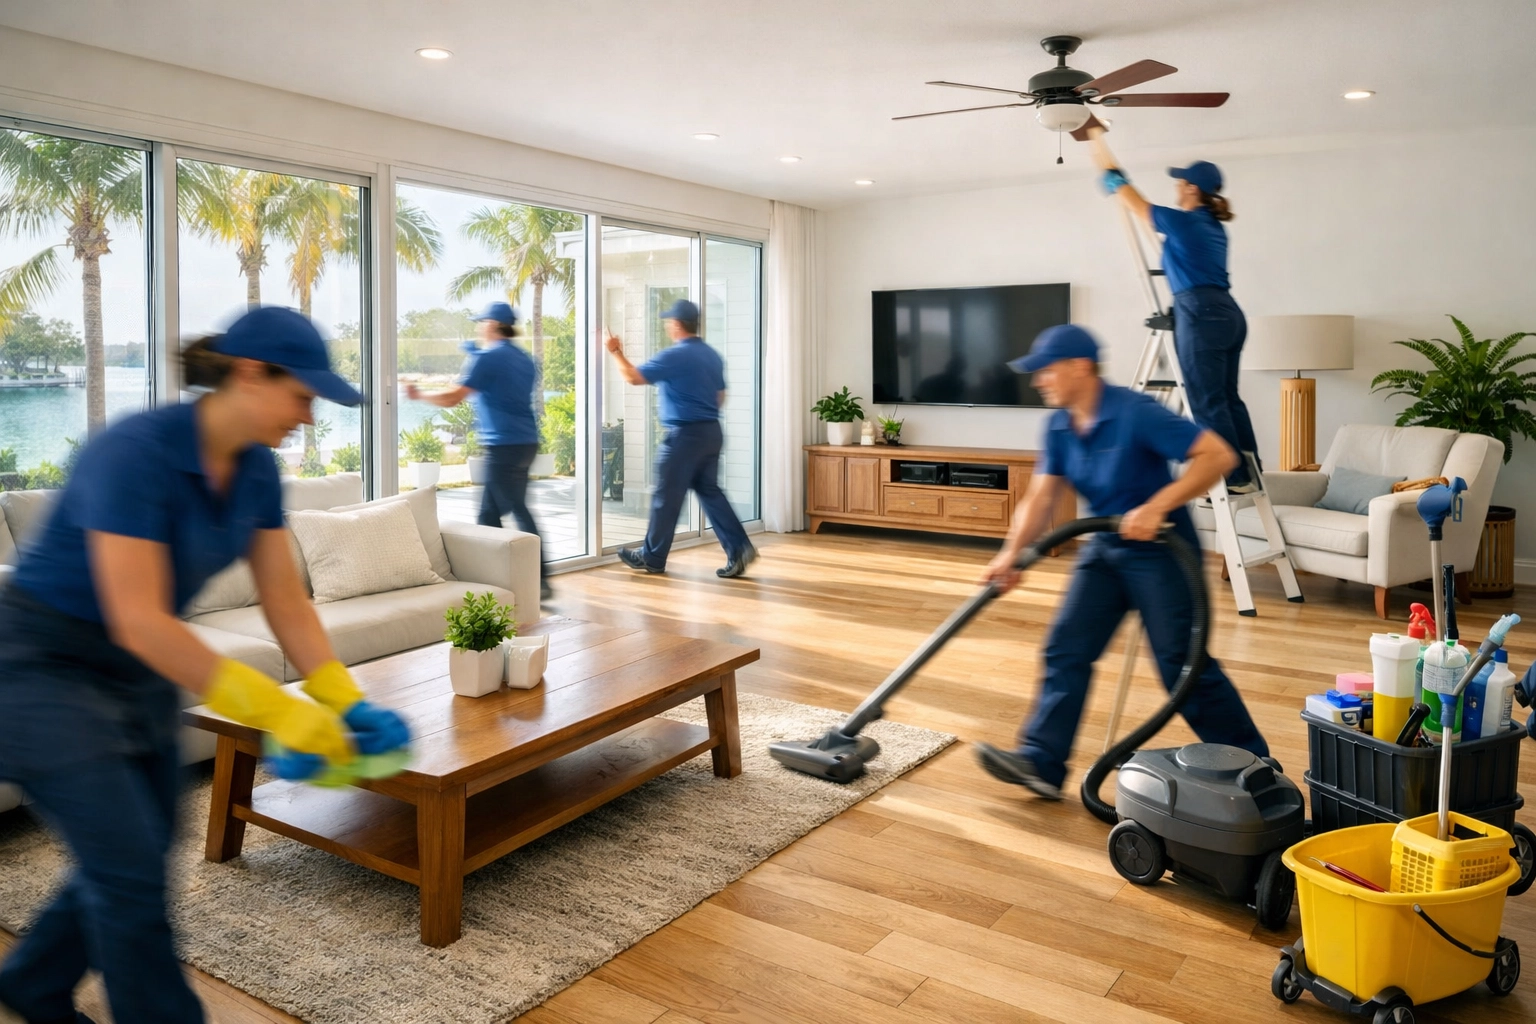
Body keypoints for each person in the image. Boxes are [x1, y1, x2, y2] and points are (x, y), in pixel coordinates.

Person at [0, 306, 410, 1024]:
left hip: (134, 670)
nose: (308, 417)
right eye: (303, 396)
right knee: (127, 870)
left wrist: (346, 700)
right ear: (251, 374)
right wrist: (277, 709)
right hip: (41, 667)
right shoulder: (134, 453)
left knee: (143, 846)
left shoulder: (255, 471)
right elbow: (138, 616)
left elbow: (285, 600)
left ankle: (31, 981)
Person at [972, 324, 1270, 799]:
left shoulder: (1136, 413)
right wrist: (1011, 554)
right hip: (1104, 549)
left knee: (1182, 665)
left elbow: (1218, 456)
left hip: (1163, 554)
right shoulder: (1059, 423)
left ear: (1080, 367)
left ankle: (1257, 770)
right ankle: (1042, 763)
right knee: (1066, 649)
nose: (1038, 382)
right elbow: (1041, 495)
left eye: (1046, 371)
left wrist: (1158, 504)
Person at [1087, 126, 1260, 492]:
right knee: (1228, 397)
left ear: (1192, 189)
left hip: (1201, 312)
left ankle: (1234, 476)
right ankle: (1250, 467)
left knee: (1206, 400)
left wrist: (1108, 168)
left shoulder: (1181, 221)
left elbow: (1134, 203)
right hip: (1228, 313)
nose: (1177, 186)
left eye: (1181, 183)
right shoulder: (1212, 226)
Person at [407, 300, 550, 602]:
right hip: (526, 442)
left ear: (494, 325)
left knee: (512, 510)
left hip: (503, 444)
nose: (478, 327)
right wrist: (476, 354)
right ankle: (505, 578)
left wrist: (419, 395)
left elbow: (453, 398)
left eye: (482, 322)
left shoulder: (488, 359)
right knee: (490, 513)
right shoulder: (524, 359)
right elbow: (503, 384)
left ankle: (538, 579)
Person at [602, 299, 756, 578]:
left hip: (685, 436)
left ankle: (652, 557)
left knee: (666, 496)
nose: (666, 326)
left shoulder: (675, 355)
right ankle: (739, 547)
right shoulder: (712, 355)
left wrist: (616, 352)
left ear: (676, 324)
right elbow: (720, 397)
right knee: (710, 492)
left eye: (668, 322)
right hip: (711, 431)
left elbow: (633, 378)